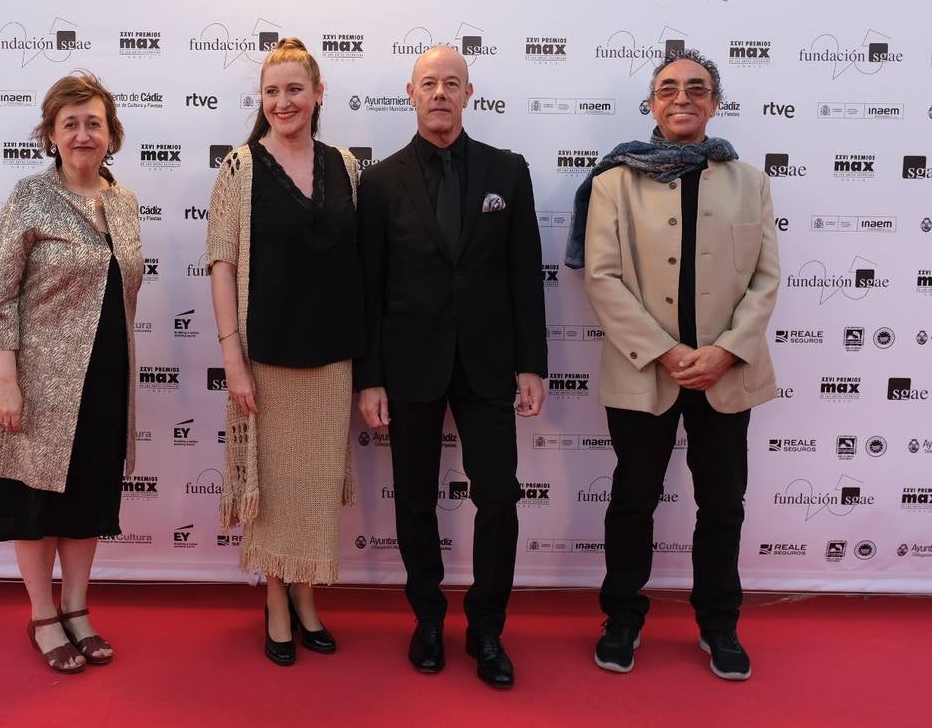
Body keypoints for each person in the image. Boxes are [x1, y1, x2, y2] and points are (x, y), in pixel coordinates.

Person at [566, 49, 779, 681]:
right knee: (632, 500)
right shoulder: (614, 181)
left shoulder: (750, 180)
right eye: (668, 88)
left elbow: (766, 278)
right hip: (644, 370)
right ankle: (622, 619)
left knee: (723, 505)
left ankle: (719, 624)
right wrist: (667, 352)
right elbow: (601, 277)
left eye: (697, 88)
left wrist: (724, 351)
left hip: (726, 371)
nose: (681, 97)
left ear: (714, 102)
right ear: (652, 103)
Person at [356, 45, 547, 688]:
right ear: (411, 93)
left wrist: (532, 363)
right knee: (413, 498)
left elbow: (525, 276)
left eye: (452, 83)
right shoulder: (380, 182)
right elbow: (370, 289)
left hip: (490, 364)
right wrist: (371, 375)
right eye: (429, 82)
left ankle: (488, 629)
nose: (440, 92)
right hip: (409, 365)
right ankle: (429, 619)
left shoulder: (508, 170)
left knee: (497, 494)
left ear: (470, 93)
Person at [0, 71, 143, 674]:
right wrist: (6, 378)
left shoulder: (123, 202)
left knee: (88, 496)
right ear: (51, 134)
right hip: (39, 382)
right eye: (70, 123)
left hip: (103, 377)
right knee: (33, 502)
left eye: (94, 122)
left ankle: (77, 607)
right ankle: (43, 614)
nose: (83, 133)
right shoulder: (30, 198)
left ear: (111, 132)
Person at [206, 38, 363, 666]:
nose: (282, 101)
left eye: (294, 89)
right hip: (265, 358)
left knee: (316, 484)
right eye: (272, 92)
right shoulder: (241, 169)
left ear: (318, 95)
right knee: (269, 488)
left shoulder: (347, 165)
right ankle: (275, 598)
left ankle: (305, 595)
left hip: (331, 359)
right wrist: (233, 360)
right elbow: (222, 265)